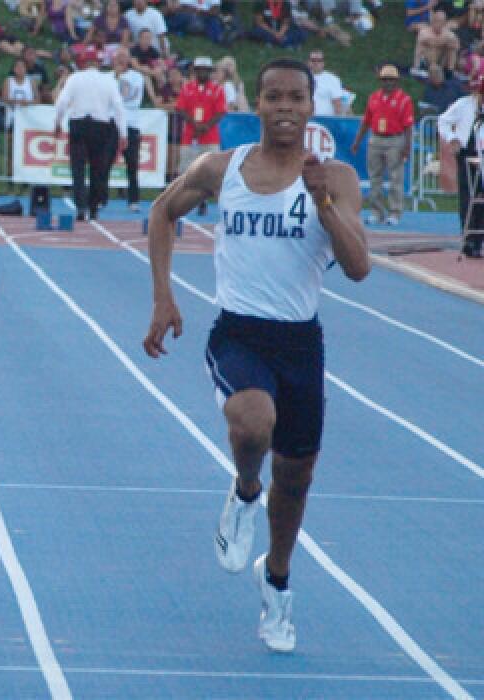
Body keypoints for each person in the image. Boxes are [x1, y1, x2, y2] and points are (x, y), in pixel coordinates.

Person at [142, 57, 371, 654]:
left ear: (311, 104)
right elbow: (162, 214)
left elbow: (358, 267)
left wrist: (323, 206)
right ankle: (245, 490)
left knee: (295, 480)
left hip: (299, 343)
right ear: (257, 104)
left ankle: (277, 585)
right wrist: (164, 295)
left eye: (297, 97)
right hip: (239, 333)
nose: (286, 107)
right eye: (274, 97)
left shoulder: (337, 178)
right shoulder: (222, 168)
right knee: (252, 422)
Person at [54, 44, 126, 220]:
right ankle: (93, 206)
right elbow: (118, 108)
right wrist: (123, 134)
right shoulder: (108, 80)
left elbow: (62, 102)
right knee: (97, 168)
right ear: (99, 62)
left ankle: (80, 206)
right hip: (100, 126)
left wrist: (57, 122)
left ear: (82, 62)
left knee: (77, 168)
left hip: (78, 124)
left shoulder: (74, 78)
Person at [351, 63, 414, 226]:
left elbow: (408, 125)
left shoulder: (404, 100)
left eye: (391, 80)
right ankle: (376, 211)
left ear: (396, 81)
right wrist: (357, 141)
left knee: (395, 177)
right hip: (376, 138)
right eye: (385, 79)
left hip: (395, 139)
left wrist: (407, 146)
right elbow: (366, 121)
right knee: (374, 177)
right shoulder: (374, 97)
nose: (387, 83)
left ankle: (394, 212)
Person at [437, 79, 484, 256]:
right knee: (468, 196)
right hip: (467, 153)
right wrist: (452, 138)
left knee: (482, 197)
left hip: (483, 153)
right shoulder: (463, 104)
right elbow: (443, 121)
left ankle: (478, 240)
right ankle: (468, 239)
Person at [175, 56, 226, 215]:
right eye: (199, 70)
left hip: (210, 136)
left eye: (205, 70)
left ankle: (210, 202)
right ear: (195, 71)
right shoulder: (187, 88)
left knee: (213, 171)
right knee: (186, 170)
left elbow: (221, 112)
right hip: (190, 136)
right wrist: (194, 124)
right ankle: (182, 202)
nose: (202, 73)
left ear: (210, 72)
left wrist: (206, 126)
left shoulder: (217, 89)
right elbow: (180, 108)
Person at [113, 47, 144, 211]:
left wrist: (118, 78)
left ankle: (133, 200)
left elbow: (128, 96)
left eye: (124, 57)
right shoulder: (107, 76)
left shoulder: (136, 77)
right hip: (111, 124)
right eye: (118, 57)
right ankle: (99, 197)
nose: (121, 60)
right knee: (102, 163)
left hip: (131, 124)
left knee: (132, 164)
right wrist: (115, 76)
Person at [308, 50, 348, 116]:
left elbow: (337, 104)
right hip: (306, 120)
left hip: (326, 121)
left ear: (323, 63)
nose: (316, 63)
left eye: (319, 60)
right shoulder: (302, 77)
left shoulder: (332, 79)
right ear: (308, 62)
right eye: (313, 60)